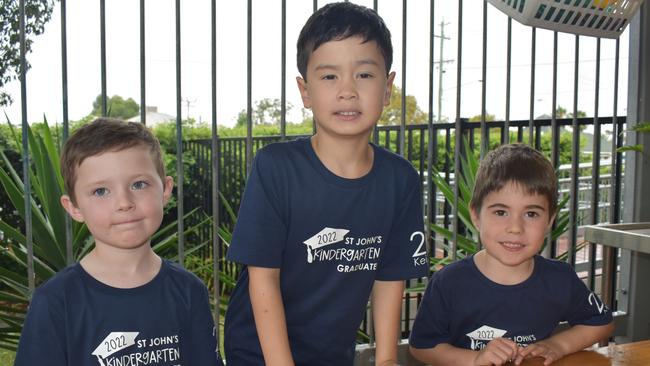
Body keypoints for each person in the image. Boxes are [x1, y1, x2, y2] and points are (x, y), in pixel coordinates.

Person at [223, 2, 429, 365]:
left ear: (387, 87)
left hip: (332, 355)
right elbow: (263, 280)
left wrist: (385, 360)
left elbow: (390, 277)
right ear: (305, 91)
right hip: (261, 354)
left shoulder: (400, 180)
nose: (347, 90)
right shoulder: (276, 168)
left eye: (364, 75)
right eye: (329, 76)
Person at [14, 118, 223, 366]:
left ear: (165, 190)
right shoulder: (56, 302)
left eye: (138, 184)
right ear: (74, 207)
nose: (124, 202)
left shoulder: (189, 290)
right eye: (101, 191)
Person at [409, 143, 614, 366]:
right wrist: (474, 359)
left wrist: (558, 345)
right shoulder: (448, 282)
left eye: (531, 213)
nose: (515, 227)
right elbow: (423, 347)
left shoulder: (560, 279)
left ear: (550, 220)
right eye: (500, 212)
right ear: (476, 215)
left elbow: (601, 322)